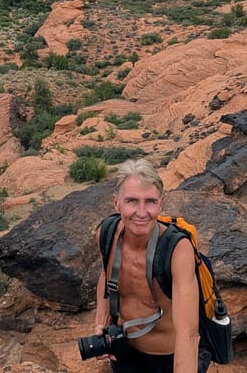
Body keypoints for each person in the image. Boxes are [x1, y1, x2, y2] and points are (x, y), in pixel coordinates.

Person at [93, 159, 207, 373]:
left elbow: (188, 334)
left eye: (150, 202)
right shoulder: (106, 234)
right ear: (116, 203)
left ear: (161, 203)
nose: (142, 212)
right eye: (132, 201)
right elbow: (105, 275)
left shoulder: (177, 251)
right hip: (124, 353)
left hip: (169, 359)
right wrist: (103, 323)